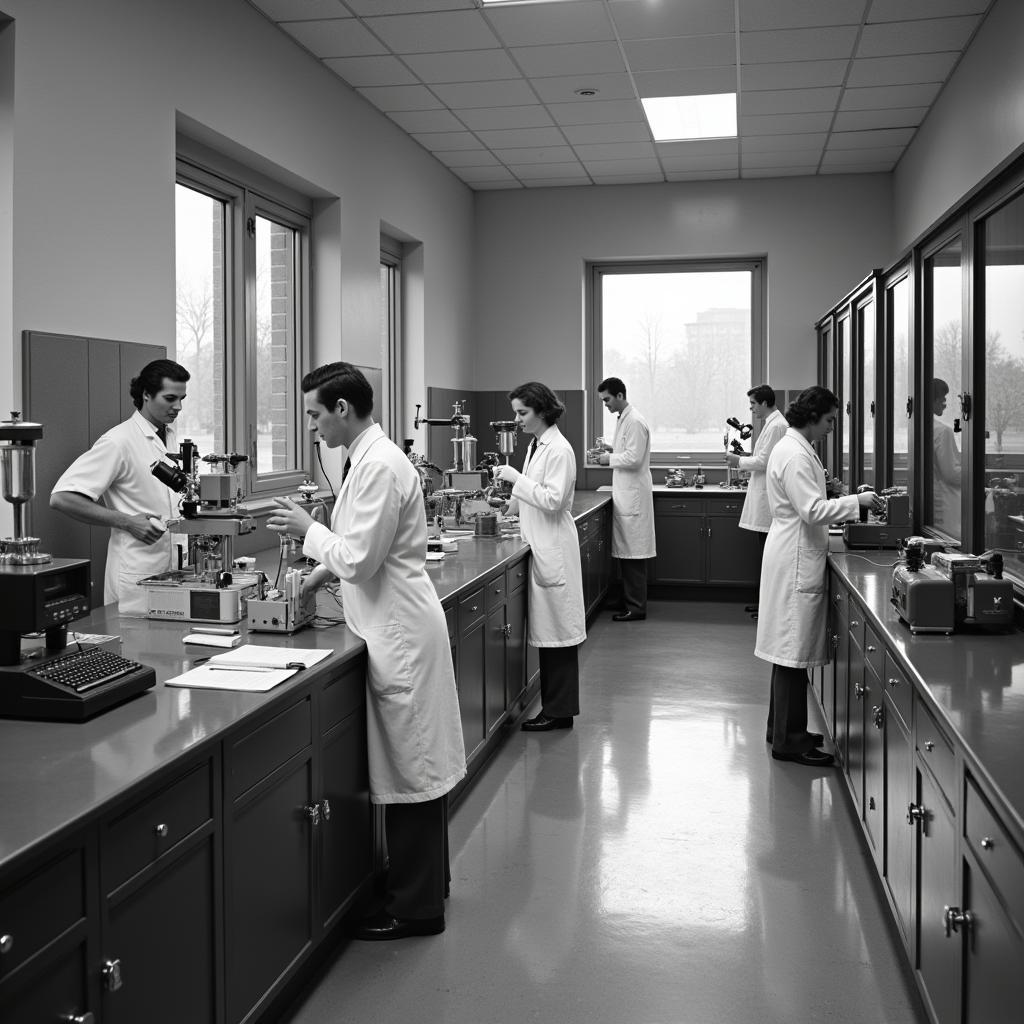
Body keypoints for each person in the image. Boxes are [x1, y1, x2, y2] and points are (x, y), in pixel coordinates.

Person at [267, 362, 465, 941]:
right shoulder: (368, 458)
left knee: (415, 772)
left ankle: (417, 909)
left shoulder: (378, 464)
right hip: (391, 626)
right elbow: (355, 547)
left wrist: (309, 529)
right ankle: (424, 885)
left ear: (343, 410)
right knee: (416, 768)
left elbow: (360, 559)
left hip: (399, 635)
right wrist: (313, 574)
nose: (311, 426)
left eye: (314, 413)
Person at [754, 386, 880, 767]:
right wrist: (857, 502)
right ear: (812, 416)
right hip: (795, 556)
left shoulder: (796, 447)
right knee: (791, 654)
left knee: (788, 654)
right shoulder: (794, 453)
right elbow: (811, 509)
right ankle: (788, 742)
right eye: (828, 421)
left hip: (794, 551)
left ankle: (783, 730)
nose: (830, 428)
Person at [50, 359, 190, 615]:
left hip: (173, 572)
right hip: (136, 575)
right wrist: (127, 521)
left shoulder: (168, 436)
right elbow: (62, 498)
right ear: (146, 394)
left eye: (182, 398)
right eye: (170, 398)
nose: (178, 407)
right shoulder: (118, 441)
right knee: (133, 651)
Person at [493, 382, 585, 732]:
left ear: (542, 411)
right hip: (542, 545)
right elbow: (533, 492)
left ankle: (559, 713)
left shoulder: (559, 449)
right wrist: (507, 504)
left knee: (558, 637)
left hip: (553, 550)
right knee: (551, 637)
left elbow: (554, 500)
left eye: (522, 413)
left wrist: (516, 479)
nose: (516, 420)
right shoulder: (537, 444)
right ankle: (557, 709)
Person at [594, 376, 656, 621]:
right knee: (626, 554)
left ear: (620, 396)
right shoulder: (624, 419)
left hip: (634, 497)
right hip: (625, 494)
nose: (605, 404)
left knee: (634, 556)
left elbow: (634, 458)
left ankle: (636, 607)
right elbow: (627, 451)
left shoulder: (636, 421)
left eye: (607, 399)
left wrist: (607, 459)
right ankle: (627, 599)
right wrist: (611, 450)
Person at [726, 384, 789, 618]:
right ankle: (764, 604)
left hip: (768, 500)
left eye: (753, 403)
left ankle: (768, 608)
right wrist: (742, 458)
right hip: (762, 495)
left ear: (764, 402)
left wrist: (738, 461)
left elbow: (764, 461)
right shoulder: (772, 424)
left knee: (769, 557)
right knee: (764, 556)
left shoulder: (778, 426)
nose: (751, 408)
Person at [932, 377, 961, 539]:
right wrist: (975, 472)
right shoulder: (943, 431)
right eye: (942, 398)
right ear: (933, 399)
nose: (945, 402)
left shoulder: (917, 429)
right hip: (944, 503)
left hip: (930, 505)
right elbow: (951, 473)